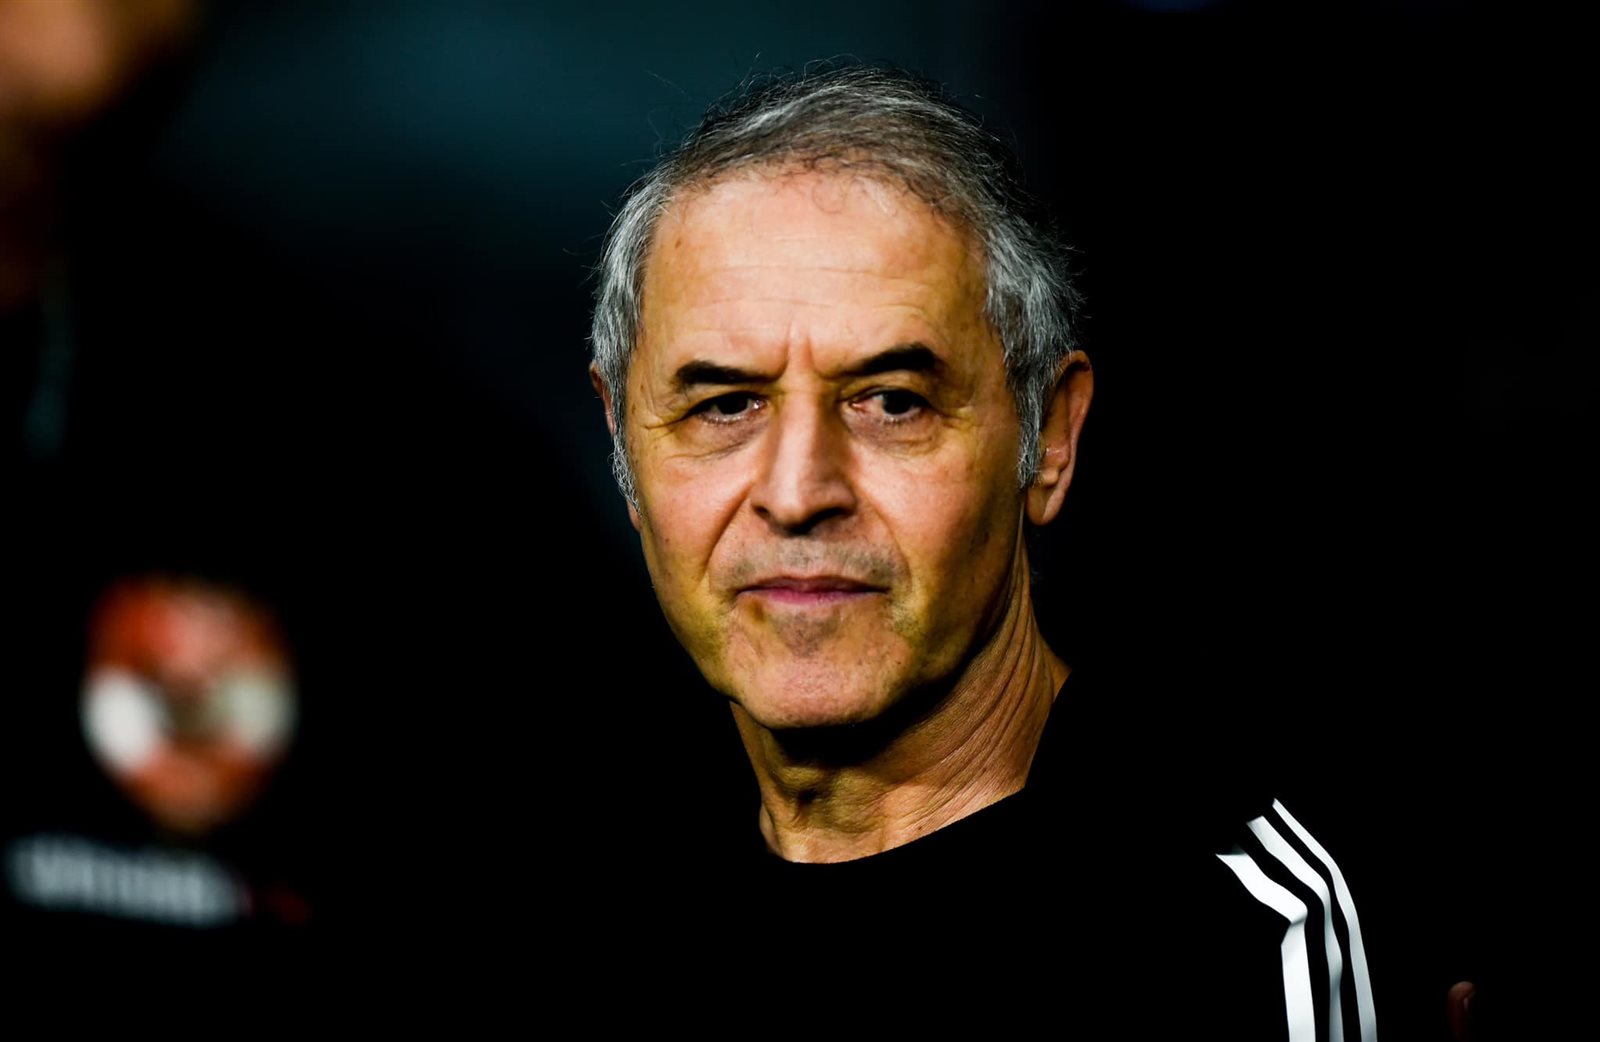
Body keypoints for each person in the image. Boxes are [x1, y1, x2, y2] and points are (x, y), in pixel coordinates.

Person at [587, 63, 1377, 1039]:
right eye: (724, 405)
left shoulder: (1226, 934)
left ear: (1050, 439)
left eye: (891, 402)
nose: (796, 493)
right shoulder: (560, 910)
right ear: (623, 443)